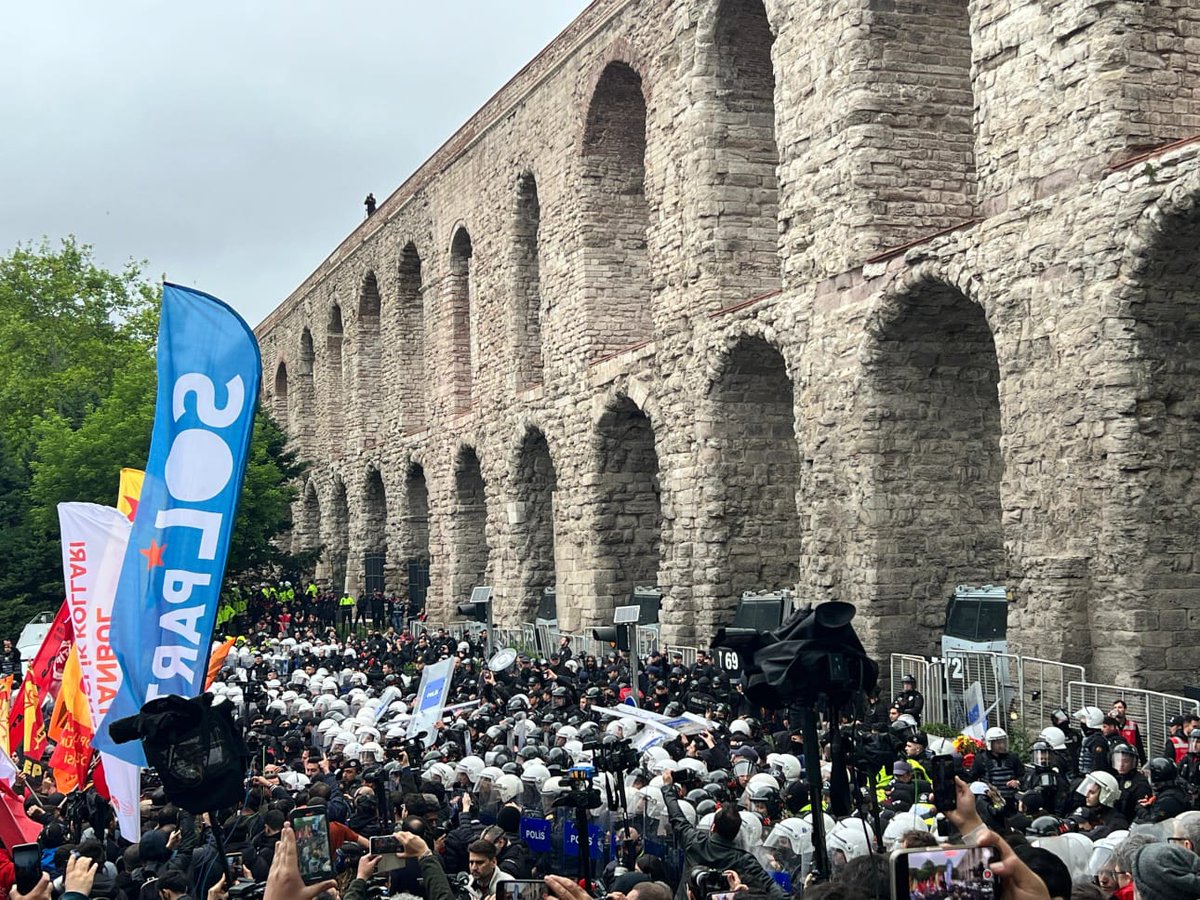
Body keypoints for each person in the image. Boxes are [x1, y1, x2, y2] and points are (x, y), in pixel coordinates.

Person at [661, 770, 785, 900]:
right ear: (737, 832)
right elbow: (773, 889)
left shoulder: (694, 841)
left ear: (713, 826)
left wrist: (667, 788)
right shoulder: (744, 859)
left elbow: (677, 817)